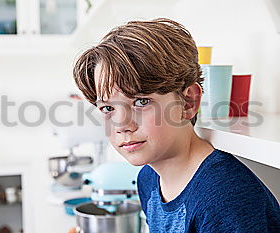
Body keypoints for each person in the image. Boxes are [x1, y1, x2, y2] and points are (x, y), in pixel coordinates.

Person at [72, 18, 280, 232]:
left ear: (188, 102)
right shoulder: (149, 180)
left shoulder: (223, 196)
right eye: (108, 108)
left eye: (141, 101)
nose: (122, 125)